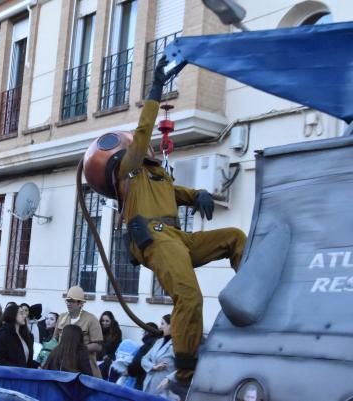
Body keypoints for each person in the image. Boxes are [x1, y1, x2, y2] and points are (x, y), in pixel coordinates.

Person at [82, 56, 247, 394]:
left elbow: (178, 192)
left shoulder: (157, 174)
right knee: (189, 297)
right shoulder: (129, 171)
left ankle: (251, 299)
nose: (149, 147)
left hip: (177, 237)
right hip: (156, 238)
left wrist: (200, 194)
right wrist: (155, 88)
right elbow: (144, 131)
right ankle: (185, 373)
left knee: (234, 237)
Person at [54, 286, 104, 378]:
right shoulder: (61, 318)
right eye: (68, 301)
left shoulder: (91, 319)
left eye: (72, 301)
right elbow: (55, 340)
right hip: (63, 367)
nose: (69, 303)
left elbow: (98, 346)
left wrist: (77, 348)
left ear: (80, 303)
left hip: (85, 368)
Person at [0, 304, 37, 368]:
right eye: (21, 313)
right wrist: (17, 369)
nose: (24, 316)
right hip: (8, 375)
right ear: (12, 314)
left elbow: (26, 360)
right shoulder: (3, 334)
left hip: (22, 375)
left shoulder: (27, 336)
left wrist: (36, 365)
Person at [142, 315, 174, 396]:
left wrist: (168, 379)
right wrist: (153, 367)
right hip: (147, 385)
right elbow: (143, 359)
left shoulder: (177, 345)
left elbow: (183, 369)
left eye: (162, 324)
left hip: (163, 390)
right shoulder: (159, 341)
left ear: (171, 326)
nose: (160, 327)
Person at [125, 322, 162, 390]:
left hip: (142, 381)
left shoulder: (147, 346)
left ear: (147, 332)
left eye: (143, 331)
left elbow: (136, 364)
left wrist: (129, 370)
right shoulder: (159, 344)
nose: (142, 334)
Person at [97, 311, 123, 379]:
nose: (104, 323)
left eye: (107, 321)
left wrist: (107, 356)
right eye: (103, 321)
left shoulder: (116, 332)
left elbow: (116, 349)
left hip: (109, 359)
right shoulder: (97, 330)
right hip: (97, 358)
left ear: (111, 321)